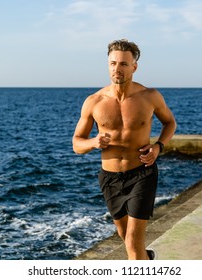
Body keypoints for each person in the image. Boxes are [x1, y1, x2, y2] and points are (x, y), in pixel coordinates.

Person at [72, 39, 176, 260]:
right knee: (123, 234)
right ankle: (147, 260)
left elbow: (170, 123)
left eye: (123, 64)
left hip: (142, 173)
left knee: (132, 243)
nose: (117, 69)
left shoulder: (149, 96)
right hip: (110, 178)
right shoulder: (94, 101)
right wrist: (93, 142)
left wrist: (158, 146)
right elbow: (77, 144)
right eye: (112, 63)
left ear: (134, 67)